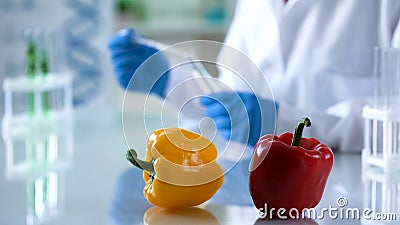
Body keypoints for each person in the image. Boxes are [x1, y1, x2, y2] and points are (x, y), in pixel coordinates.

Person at [108, 0, 400, 205]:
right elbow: (232, 101)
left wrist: (280, 121)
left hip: (356, 200)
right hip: (250, 197)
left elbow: (394, 118)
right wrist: (172, 81)